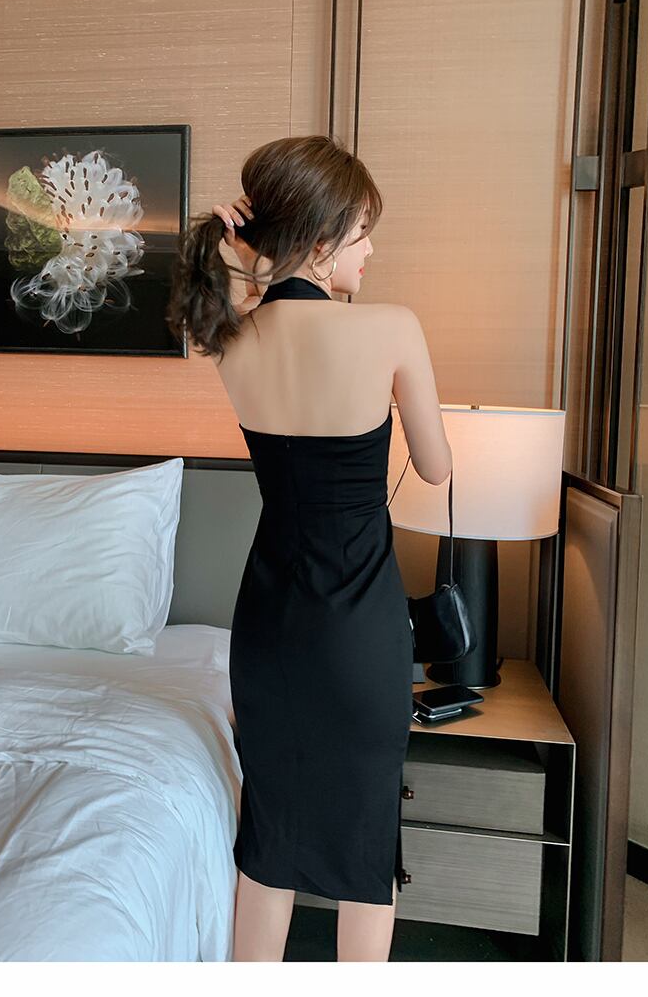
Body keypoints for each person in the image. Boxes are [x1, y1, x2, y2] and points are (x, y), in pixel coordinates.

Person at [166, 134, 452, 962]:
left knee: (271, 842)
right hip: (357, 623)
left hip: (268, 626)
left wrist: (244, 264)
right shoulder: (392, 328)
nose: (372, 250)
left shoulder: (234, 340)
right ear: (321, 240)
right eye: (362, 233)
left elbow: (233, 302)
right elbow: (436, 468)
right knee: (366, 848)